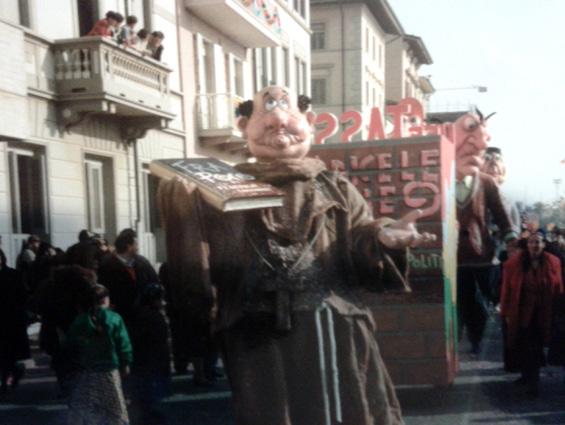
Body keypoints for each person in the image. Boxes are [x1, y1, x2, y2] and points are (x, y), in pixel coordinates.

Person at [157, 86, 436, 425]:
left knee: (345, 408)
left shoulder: (336, 186)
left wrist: (384, 235)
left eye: (288, 122)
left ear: (311, 122)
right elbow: (193, 266)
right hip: (257, 333)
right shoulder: (217, 190)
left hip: (333, 323)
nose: (279, 128)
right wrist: (183, 203)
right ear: (244, 126)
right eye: (268, 123)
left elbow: (362, 231)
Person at [453, 111, 517, 354]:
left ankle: (478, 335)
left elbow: (501, 215)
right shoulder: (442, 180)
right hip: (455, 257)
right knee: (463, 300)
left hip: (482, 255)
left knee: (481, 302)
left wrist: (510, 238)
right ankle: (468, 337)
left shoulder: (486, 182)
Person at [500, 231, 563, 396]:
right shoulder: (513, 264)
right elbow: (506, 289)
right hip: (521, 314)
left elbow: (558, 288)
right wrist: (505, 311)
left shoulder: (553, 262)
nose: (535, 245)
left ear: (544, 245)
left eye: (539, 242)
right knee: (525, 346)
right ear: (527, 245)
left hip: (543, 314)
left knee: (534, 347)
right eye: (532, 242)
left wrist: (559, 311)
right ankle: (530, 380)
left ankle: (532, 381)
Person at [66, 283, 132, 425]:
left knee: (88, 407)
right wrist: (125, 362)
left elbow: (70, 343)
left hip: (88, 370)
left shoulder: (80, 320)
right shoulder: (114, 318)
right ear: (105, 300)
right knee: (115, 409)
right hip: (110, 370)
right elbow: (123, 343)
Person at [128, 283, 171, 425]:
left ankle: (146, 410)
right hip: (153, 359)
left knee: (144, 389)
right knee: (151, 388)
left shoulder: (139, 314)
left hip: (142, 359)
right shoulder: (154, 317)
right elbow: (161, 337)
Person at [98, 229, 158, 325]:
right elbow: (104, 291)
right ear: (129, 246)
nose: (138, 247)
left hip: (144, 318)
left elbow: (154, 283)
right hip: (121, 319)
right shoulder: (107, 265)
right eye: (136, 244)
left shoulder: (143, 262)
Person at [0, 249, 30, 393]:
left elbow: (23, 296)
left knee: (9, 352)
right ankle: (6, 379)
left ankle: (12, 374)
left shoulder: (13, 275)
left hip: (11, 319)